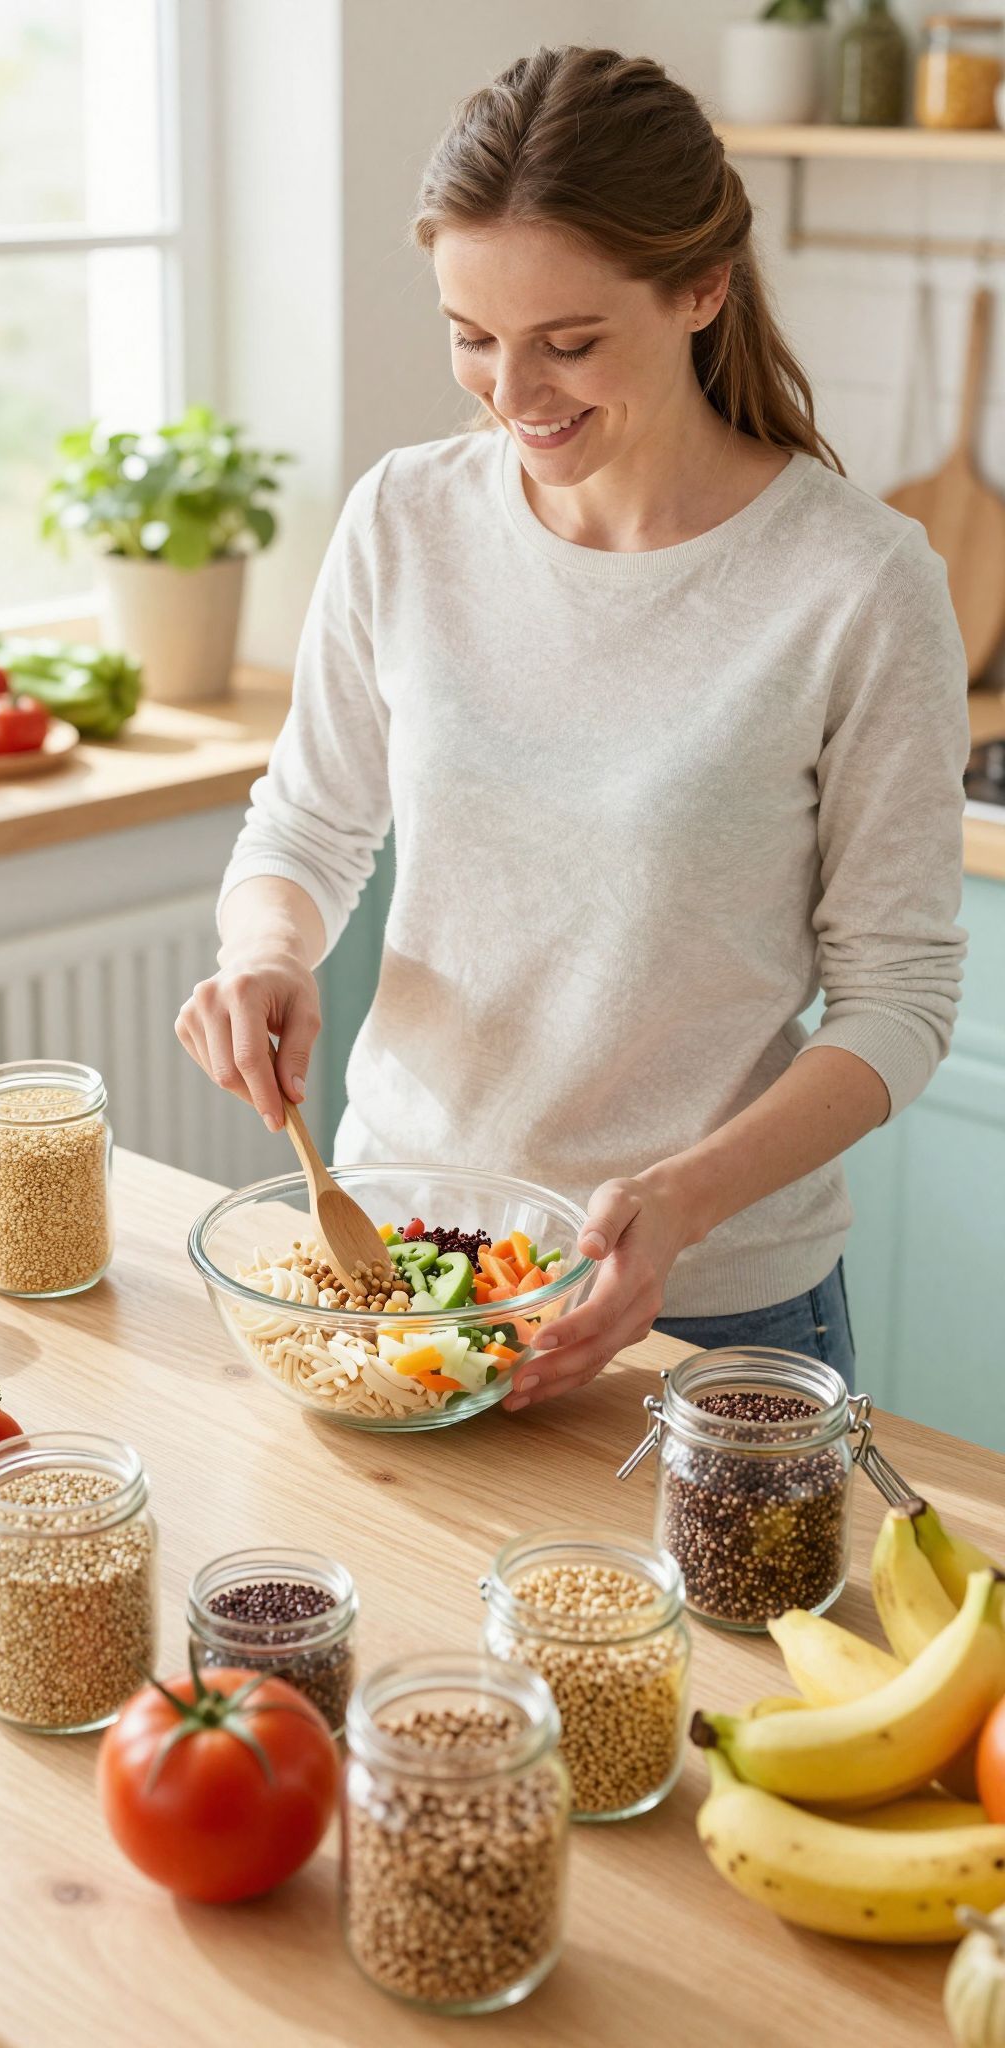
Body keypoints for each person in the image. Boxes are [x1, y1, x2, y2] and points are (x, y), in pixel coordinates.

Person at [176, 46, 967, 1411]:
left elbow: (899, 1001)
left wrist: (683, 1198)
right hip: (401, 1263)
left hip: (713, 1310)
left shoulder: (858, 584)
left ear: (702, 288)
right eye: (471, 334)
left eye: (570, 342)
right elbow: (305, 827)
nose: (511, 392)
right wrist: (266, 952)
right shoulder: (405, 520)